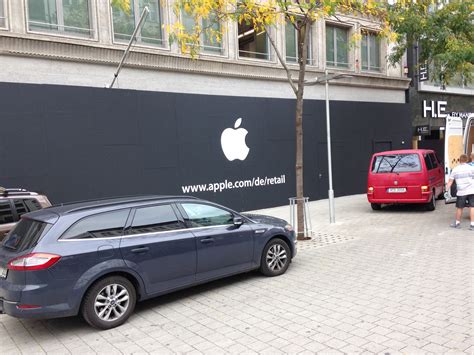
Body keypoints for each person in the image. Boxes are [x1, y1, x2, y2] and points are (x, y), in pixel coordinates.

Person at [447, 154, 474, 229]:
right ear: (467, 160)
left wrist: (446, 191)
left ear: (459, 160)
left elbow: (450, 182)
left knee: (460, 207)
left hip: (461, 192)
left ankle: (457, 223)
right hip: (472, 190)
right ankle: (472, 224)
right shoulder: (471, 168)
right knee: (472, 207)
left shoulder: (455, 169)